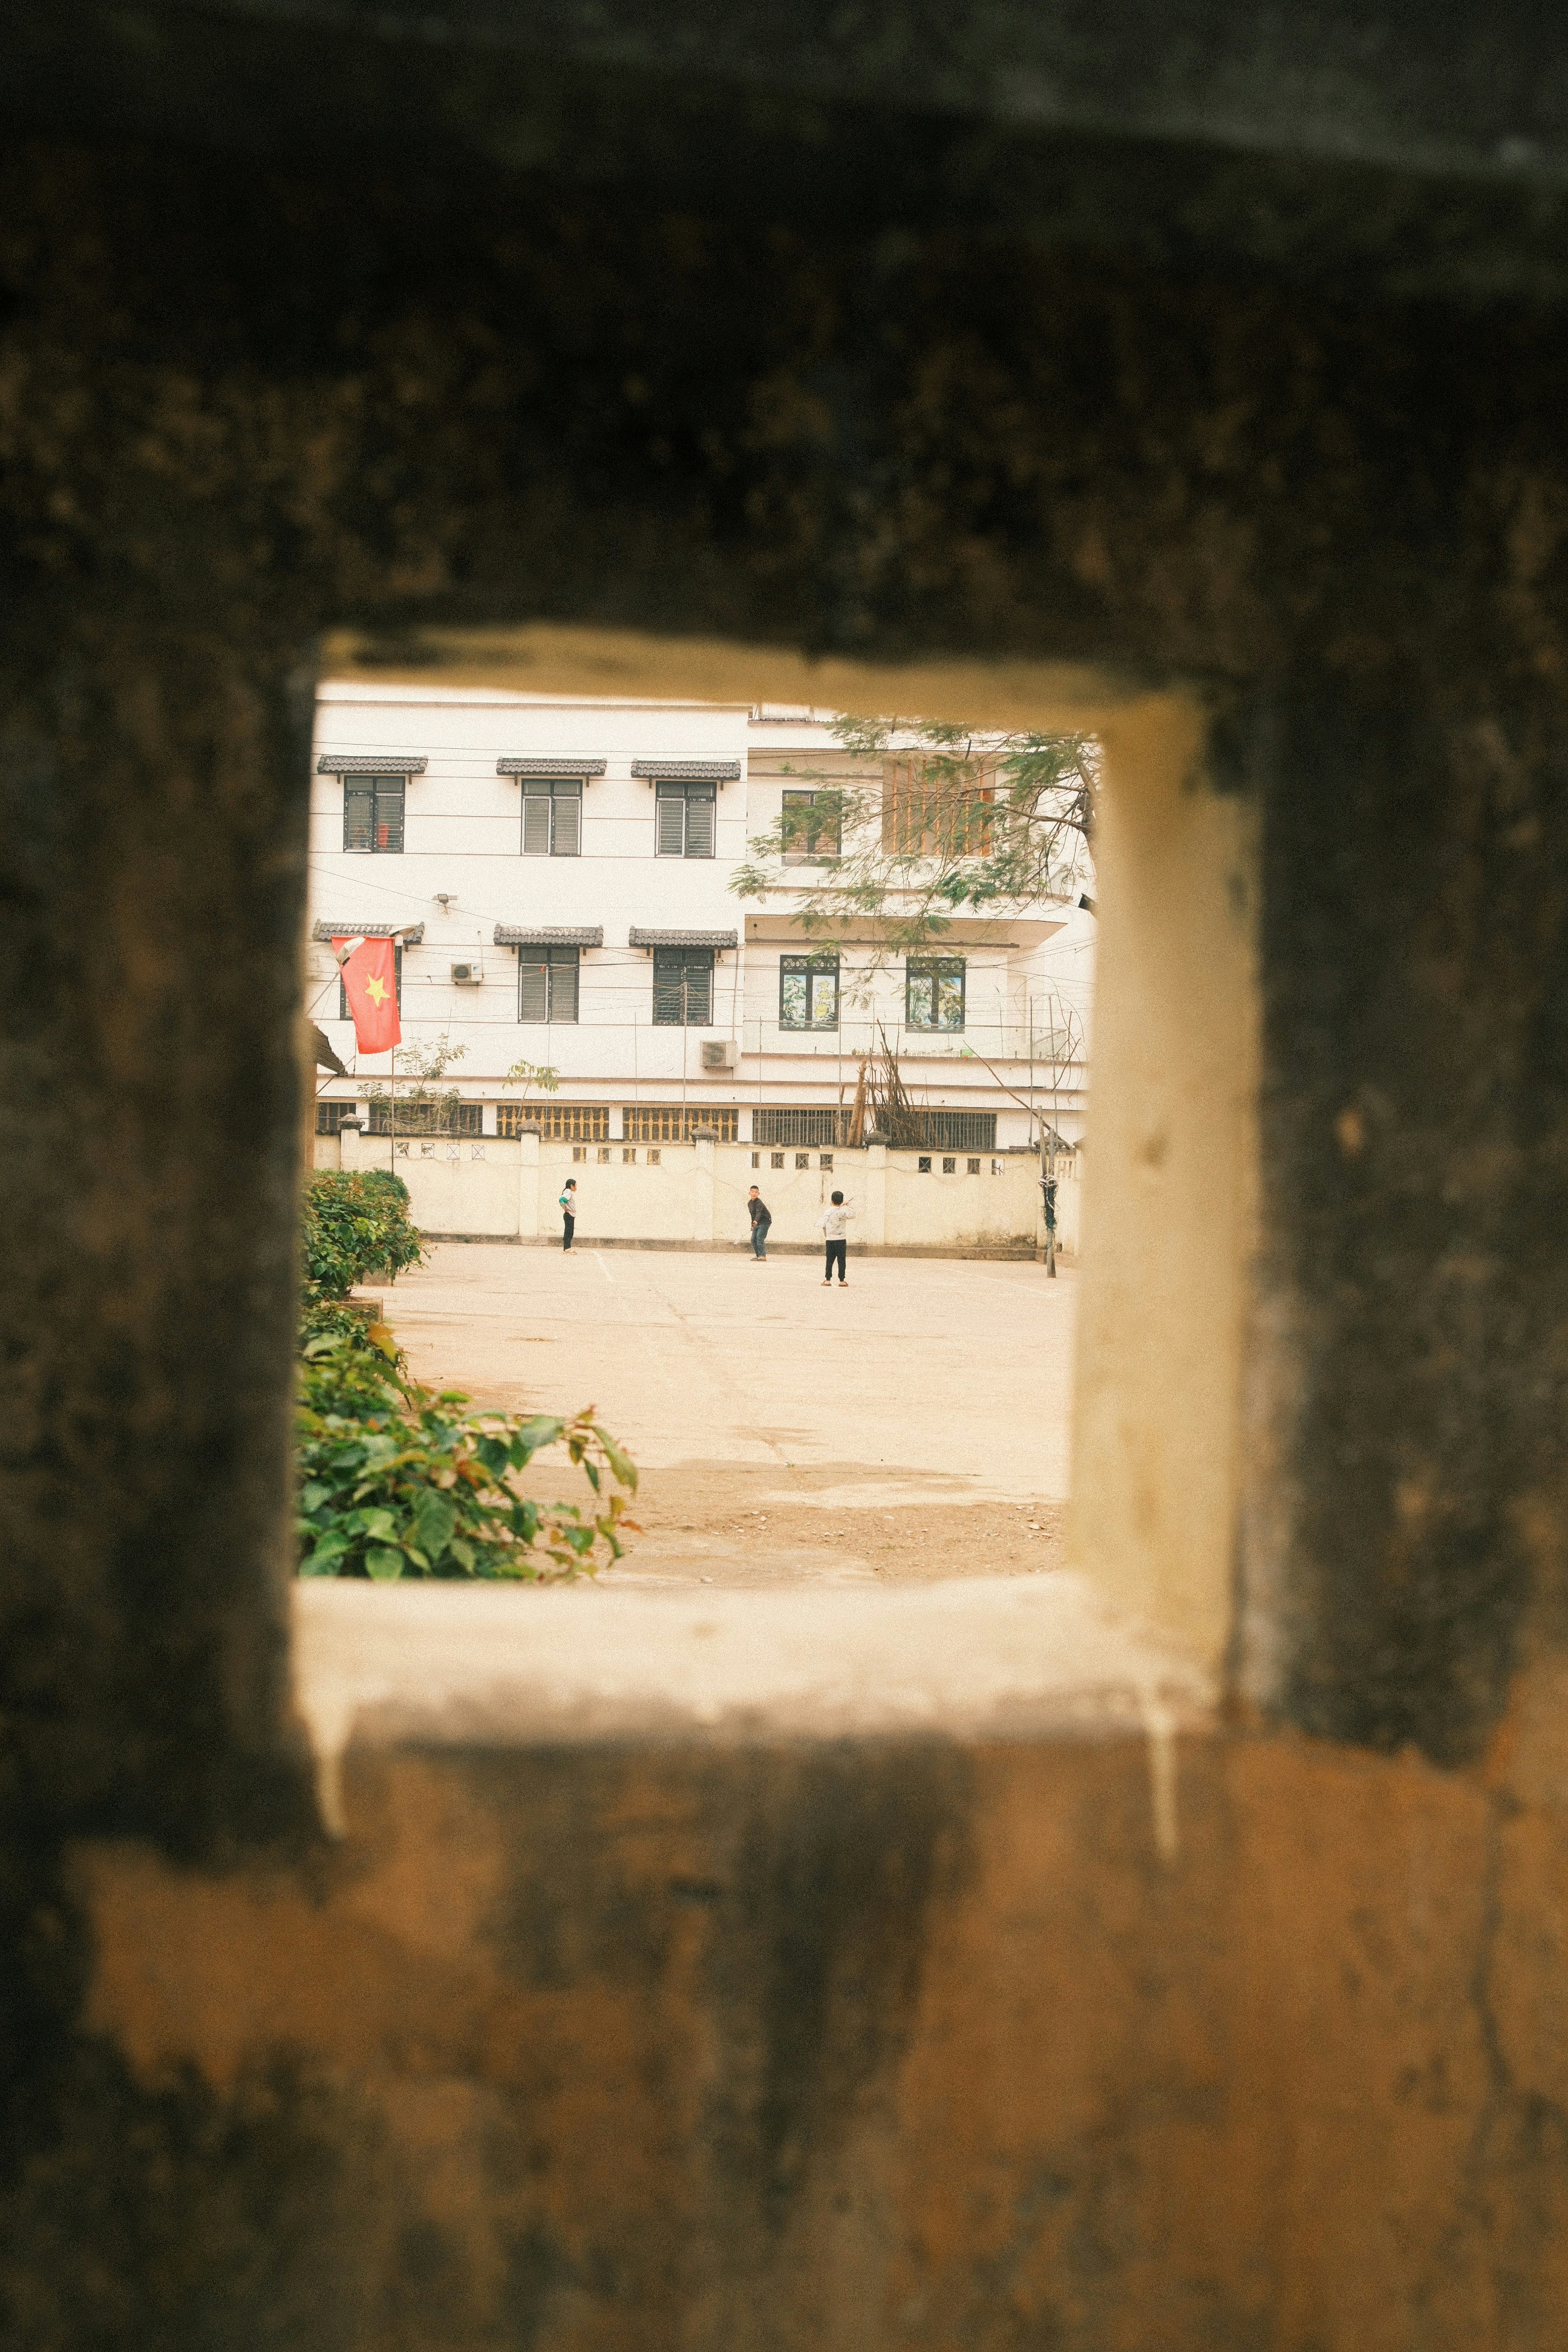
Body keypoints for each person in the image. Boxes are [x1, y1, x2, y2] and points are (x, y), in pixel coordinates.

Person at [818, 1189, 854, 1285]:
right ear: (842, 1201)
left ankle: (827, 1280)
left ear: (832, 1201)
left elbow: (824, 1226)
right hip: (841, 1240)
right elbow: (852, 1215)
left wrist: (827, 1235)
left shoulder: (827, 1212)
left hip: (830, 1240)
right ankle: (842, 1281)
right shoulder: (842, 1212)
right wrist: (847, 1207)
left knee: (829, 1260)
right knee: (841, 1260)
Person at [746, 1184, 772, 1260]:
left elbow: (759, 1213)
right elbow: (752, 1214)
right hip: (757, 1222)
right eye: (753, 1192)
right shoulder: (749, 1203)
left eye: (756, 1192)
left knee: (759, 1237)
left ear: (758, 1194)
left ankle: (763, 1256)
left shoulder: (759, 1203)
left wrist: (756, 1221)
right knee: (753, 1239)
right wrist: (752, 1224)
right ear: (749, 1193)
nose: (754, 1194)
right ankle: (759, 1256)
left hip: (765, 1222)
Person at [560, 1176, 577, 1252]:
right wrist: (564, 1208)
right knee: (569, 1232)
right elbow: (561, 1199)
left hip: (570, 1215)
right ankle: (567, 1249)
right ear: (571, 1186)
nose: (576, 1188)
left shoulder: (568, 1192)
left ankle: (567, 1248)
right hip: (569, 1214)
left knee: (569, 1232)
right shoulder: (568, 1192)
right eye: (575, 1185)